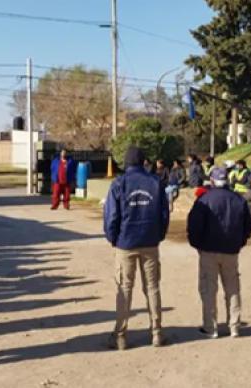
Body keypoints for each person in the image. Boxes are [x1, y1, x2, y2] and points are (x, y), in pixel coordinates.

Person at [103, 146, 170, 351]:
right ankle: (156, 332)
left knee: (124, 288)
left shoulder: (119, 183)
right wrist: (158, 235)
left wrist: (114, 238)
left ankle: (121, 336)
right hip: (150, 242)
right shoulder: (155, 182)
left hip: (126, 242)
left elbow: (111, 216)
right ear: (143, 162)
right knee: (152, 287)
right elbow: (164, 214)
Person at [187, 167, 251, 339]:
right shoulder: (239, 199)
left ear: (212, 180)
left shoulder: (205, 199)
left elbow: (194, 225)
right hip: (231, 250)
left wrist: (197, 244)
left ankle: (210, 327)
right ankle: (235, 326)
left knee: (208, 288)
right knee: (232, 288)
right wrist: (240, 242)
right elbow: (247, 225)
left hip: (208, 249)